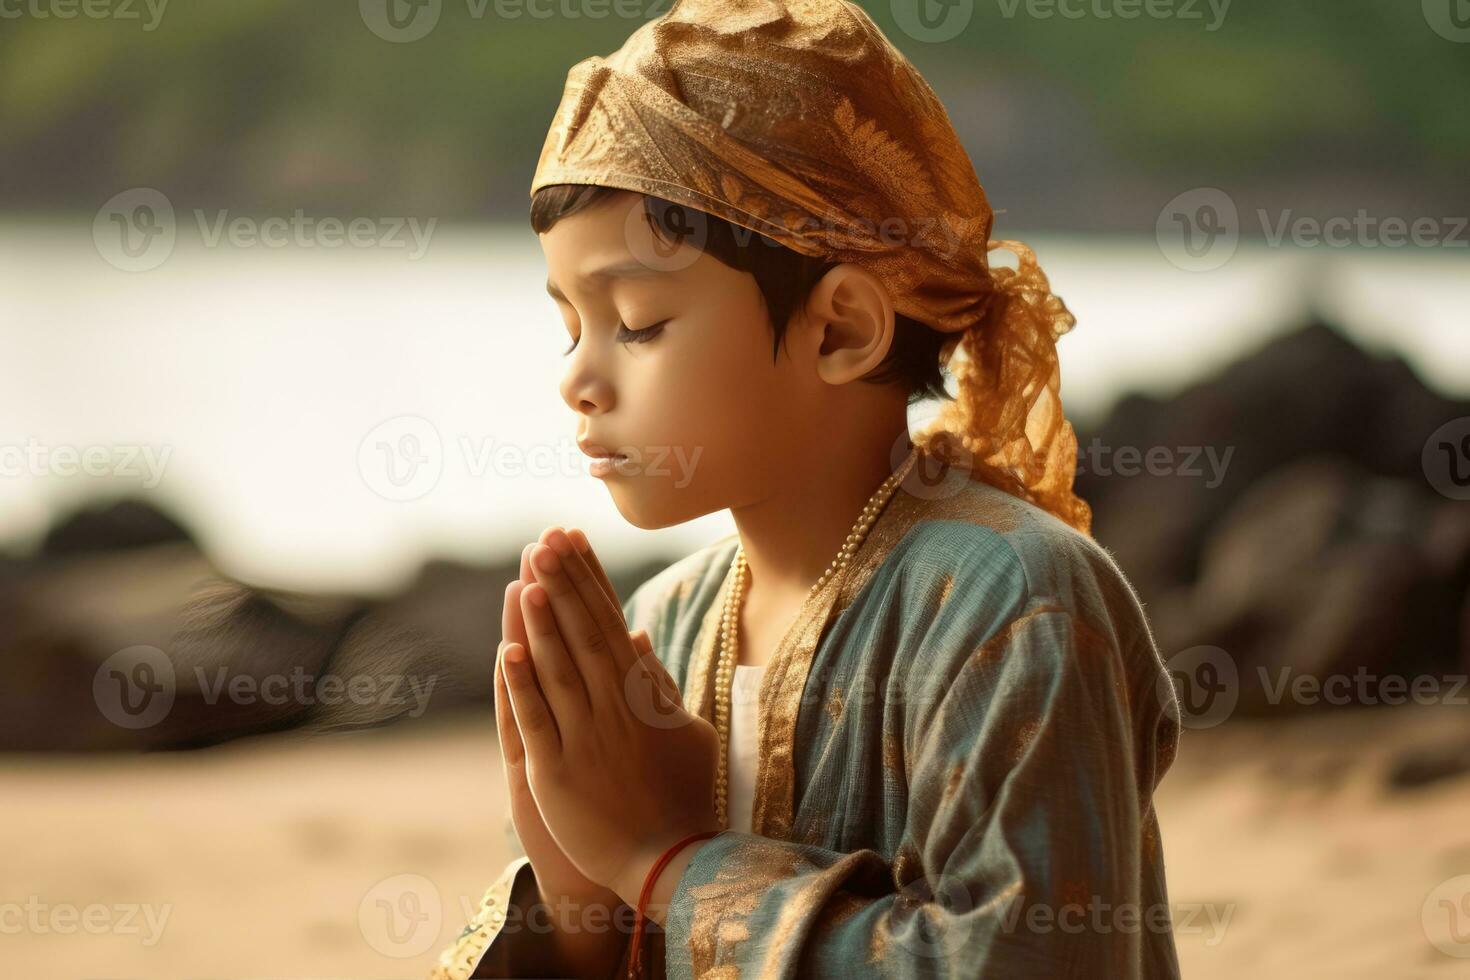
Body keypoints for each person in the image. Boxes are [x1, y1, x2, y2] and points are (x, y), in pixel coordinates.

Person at [432, 1, 1181, 976]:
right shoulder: (666, 617)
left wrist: (662, 861)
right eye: (570, 323)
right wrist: (580, 899)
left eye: (639, 321)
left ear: (841, 330)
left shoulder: (1012, 602)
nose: (577, 376)